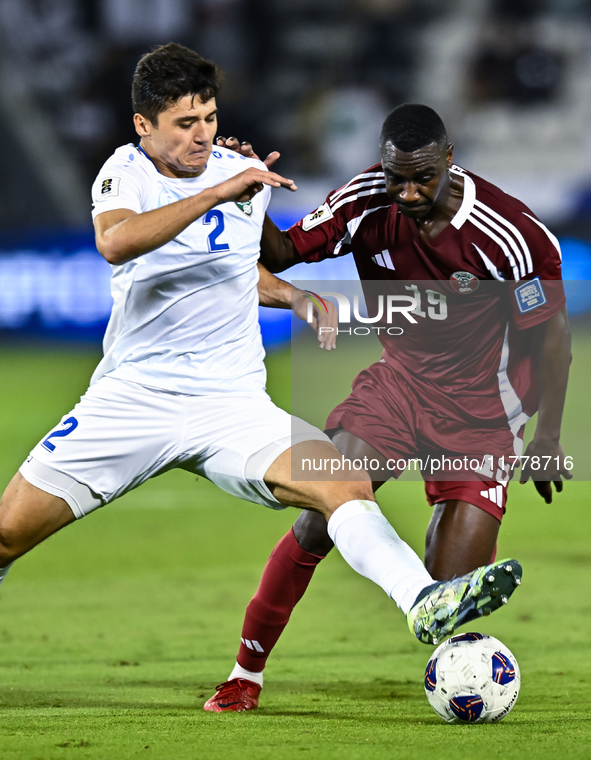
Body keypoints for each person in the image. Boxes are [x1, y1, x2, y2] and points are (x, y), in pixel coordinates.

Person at [0, 48, 522, 693]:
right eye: (185, 123)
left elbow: (239, 268)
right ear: (144, 127)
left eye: (210, 118)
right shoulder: (126, 174)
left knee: (342, 484)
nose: (202, 135)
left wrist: (293, 295)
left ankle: (422, 600)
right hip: (135, 399)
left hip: (234, 405)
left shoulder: (238, 171)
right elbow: (116, 242)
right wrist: (219, 189)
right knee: (5, 534)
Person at [204, 104, 569, 712]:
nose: (407, 191)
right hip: (398, 388)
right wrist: (250, 195)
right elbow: (283, 251)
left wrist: (549, 436)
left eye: (422, 177)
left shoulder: (511, 233)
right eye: (397, 176)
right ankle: (246, 673)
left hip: (485, 413)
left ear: (450, 160)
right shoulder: (366, 198)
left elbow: (551, 336)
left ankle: (459, 669)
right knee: (325, 508)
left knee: (444, 597)